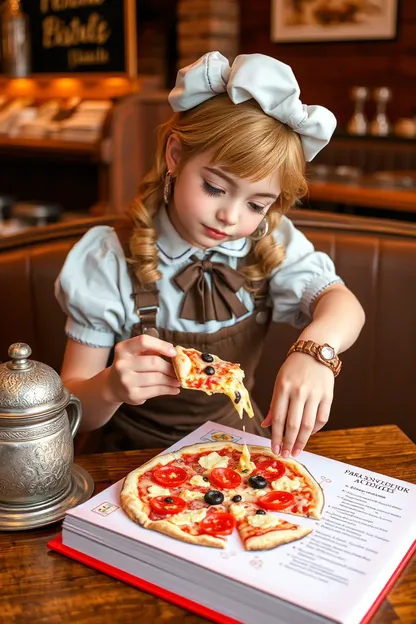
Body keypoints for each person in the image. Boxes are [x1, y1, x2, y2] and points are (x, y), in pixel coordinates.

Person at [55, 51, 365, 457]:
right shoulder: (108, 257)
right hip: (131, 459)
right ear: (176, 155)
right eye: (215, 188)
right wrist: (111, 386)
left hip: (239, 451)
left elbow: (343, 305)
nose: (230, 216)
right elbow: (70, 412)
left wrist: (316, 351)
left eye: (257, 205)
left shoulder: (269, 241)